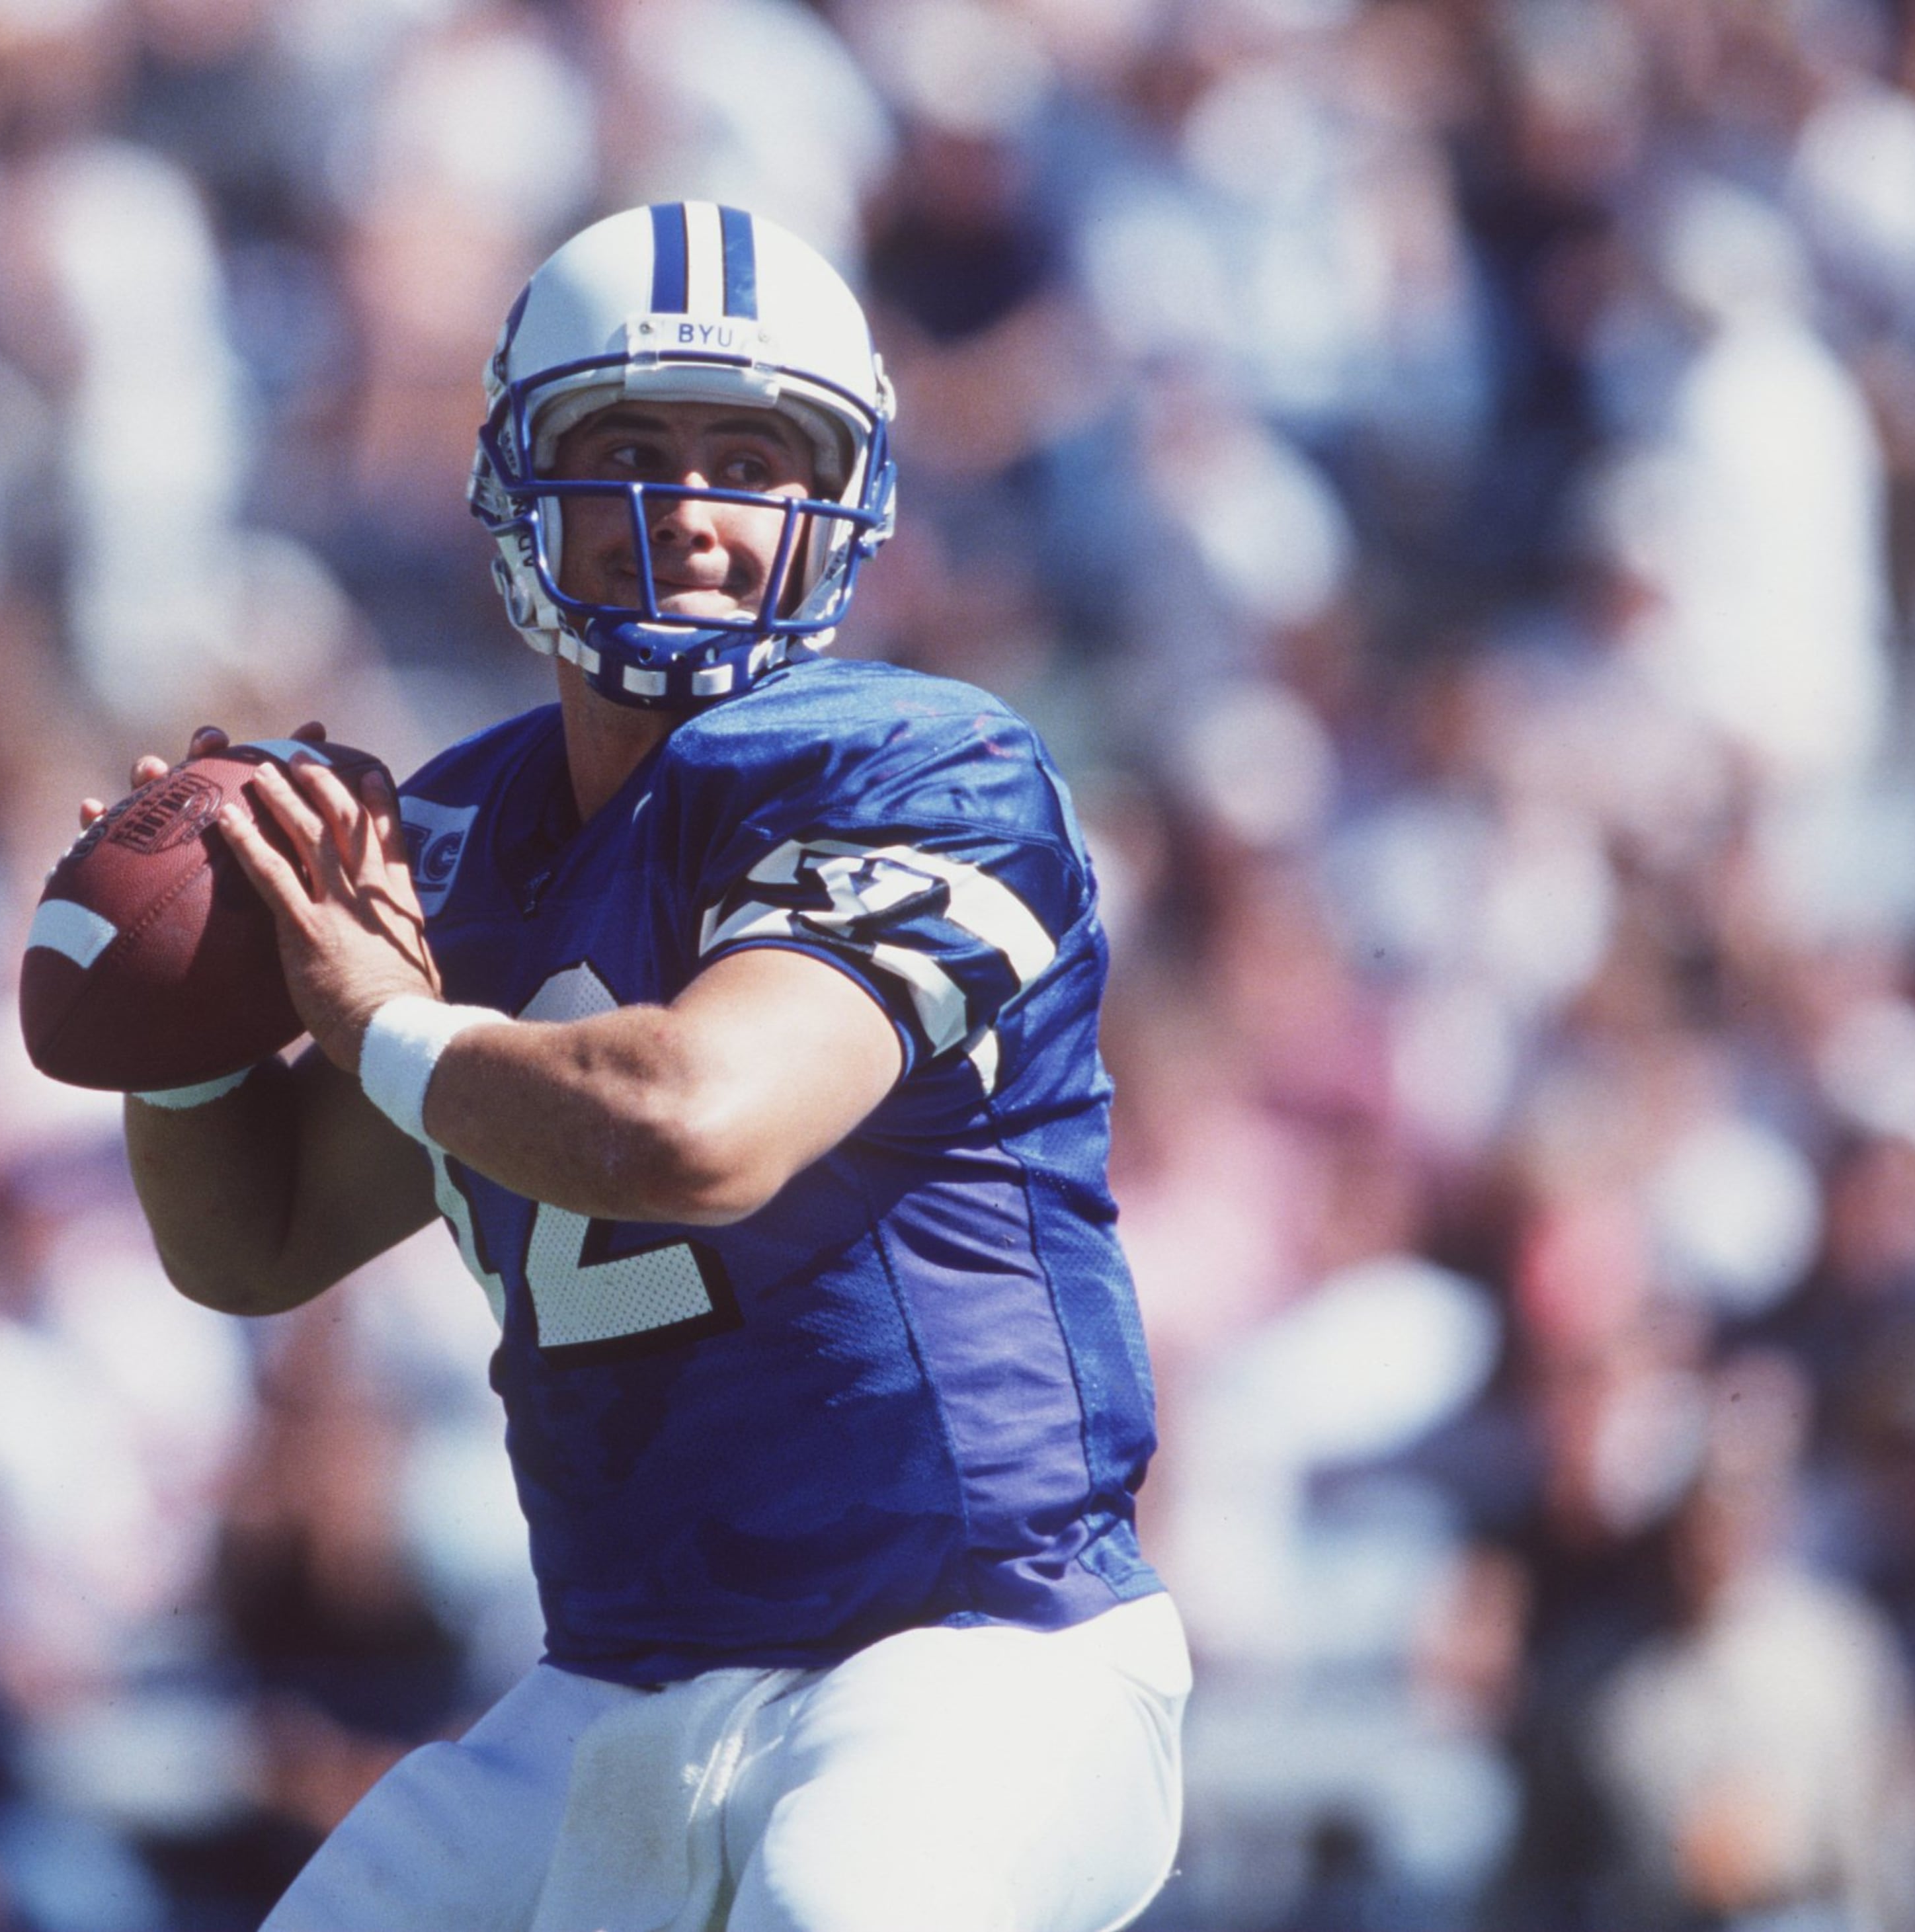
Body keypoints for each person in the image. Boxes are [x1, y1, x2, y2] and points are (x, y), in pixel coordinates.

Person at [101, 203, 1186, 1932]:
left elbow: (696, 1125)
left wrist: (385, 1015)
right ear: (517, 484)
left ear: (840, 501)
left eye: (750, 454)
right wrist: (172, 1035)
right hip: (622, 1675)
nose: (687, 505)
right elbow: (260, 1239)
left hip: (973, 1657)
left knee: (843, 1908)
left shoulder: (932, 766)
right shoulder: (460, 831)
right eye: (627, 447)